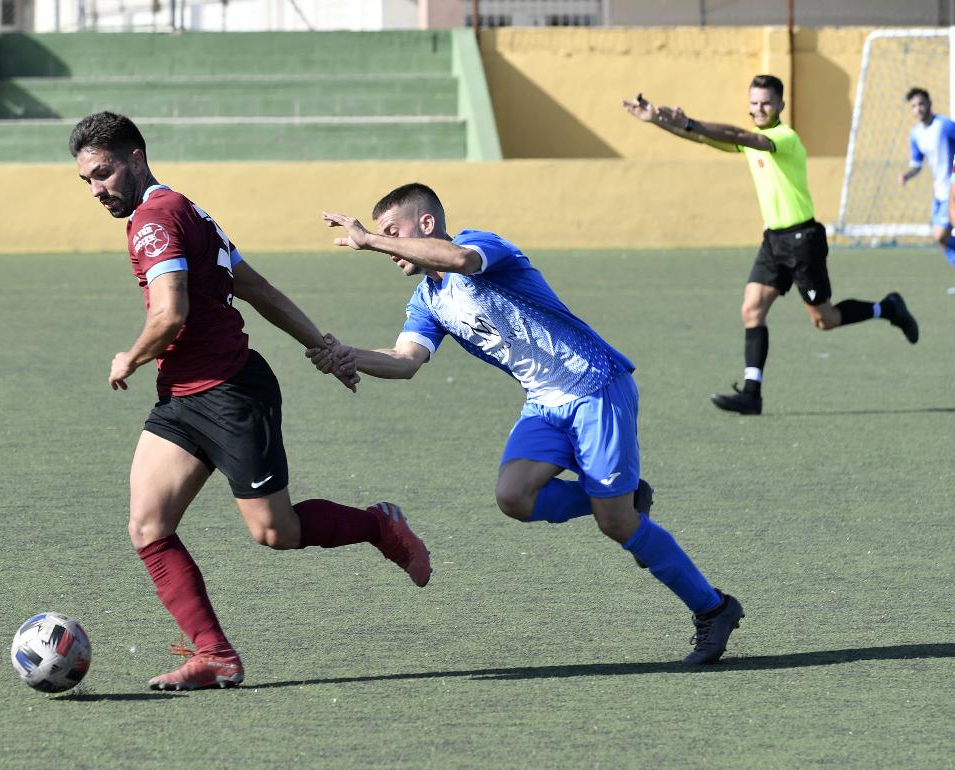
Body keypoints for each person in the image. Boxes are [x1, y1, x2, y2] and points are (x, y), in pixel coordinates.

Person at [68, 112, 432, 691]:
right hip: (183, 398)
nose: (97, 189)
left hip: (233, 394)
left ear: (136, 157)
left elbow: (171, 314)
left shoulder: (155, 221)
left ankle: (378, 526)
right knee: (148, 525)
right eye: (86, 180)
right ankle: (214, 655)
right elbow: (256, 289)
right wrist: (324, 348)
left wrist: (130, 357)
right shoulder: (184, 209)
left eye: (104, 173)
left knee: (275, 532)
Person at [314, 183, 744, 666]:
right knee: (513, 497)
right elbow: (405, 359)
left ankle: (714, 608)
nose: (383, 243)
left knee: (616, 523)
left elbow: (458, 260)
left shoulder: (483, 246)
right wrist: (350, 356)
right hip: (544, 401)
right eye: (380, 235)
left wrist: (370, 240)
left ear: (426, 224)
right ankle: (619, 494)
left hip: (594, 384)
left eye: (393, 231)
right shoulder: (427, 301)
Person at [622, 75, 920, 416]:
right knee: (751, 310)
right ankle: (752, 394)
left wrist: (689, 120)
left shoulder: (783, 138)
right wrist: (657, 120)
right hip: (773, 241)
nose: (759, 109)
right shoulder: (749, 141)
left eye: (766, 103)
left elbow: (736, 134)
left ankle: (888, 308)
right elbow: (702, 137)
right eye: (753, 103)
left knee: (826, 319)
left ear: (780, 105)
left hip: (802, 241)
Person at [899, 87, 955, 268]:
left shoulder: (945, 125)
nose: (918, 108)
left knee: (940, 234)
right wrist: (907, 175)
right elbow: (917, 164)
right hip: (939, 193)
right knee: (941, 239)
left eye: (921, 103)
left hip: (951, 191)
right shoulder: (916, 134)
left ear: (929, 103)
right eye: (914, 106)